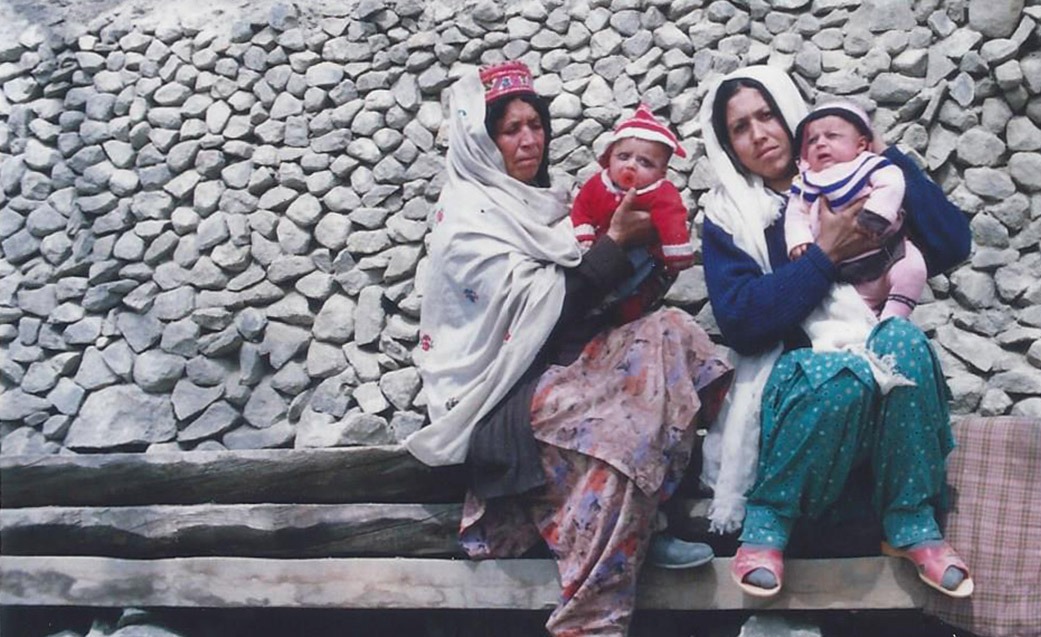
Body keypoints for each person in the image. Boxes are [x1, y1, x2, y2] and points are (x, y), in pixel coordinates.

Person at [407, 61, 731, 636]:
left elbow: (592, 303)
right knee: (618, 436)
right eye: (511, 130)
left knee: (675, 334)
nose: (530, 140)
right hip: (506, 395)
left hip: (571, 367)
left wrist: (644, 258)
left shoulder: (544, 205)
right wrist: (613, 247)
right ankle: (590, 617)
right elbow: (546, 313)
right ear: (482, 142)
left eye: (536, 125)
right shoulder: (469, 221)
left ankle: (682, 498)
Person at [697, 66, 973, 599]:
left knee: (906, 345)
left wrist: (882, 158)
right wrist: (825, 256)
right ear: (728, 146)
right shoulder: (731, 216)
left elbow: (951, 243)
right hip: (797, 398)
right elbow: (743, 322)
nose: (759, 134)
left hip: (880, 392)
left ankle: (913, 525)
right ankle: (767, 523)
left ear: (792, 117)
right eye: (740, 128)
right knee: (841, 374)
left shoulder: (865, 179)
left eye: (768, 115)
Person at [785, 100, 928, 320]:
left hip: (889, 252)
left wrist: (876, 214)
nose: (820, 143)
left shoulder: (868, 165)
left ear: (861, 145)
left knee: (913, 269)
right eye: (812, 140)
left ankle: (892, 321)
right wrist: (798, 239)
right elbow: (796, 213)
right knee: (843, 308)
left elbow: (892, 183)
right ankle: (866, 328)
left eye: (832, 136)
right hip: (846, 274)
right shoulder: (807, 182)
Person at [571, 104, 694, 324]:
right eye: (623, 156)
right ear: (609, 158)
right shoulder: (598, 184)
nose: (631, 165)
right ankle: (596, 306)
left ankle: (627, 307)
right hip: (601, 250)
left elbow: (673, 219)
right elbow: (582, 207)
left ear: (661, 173)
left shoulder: (661, 193)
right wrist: (584, 233)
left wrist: (676, 252)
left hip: (644, 255)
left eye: (645, 162)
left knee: (639, 280)